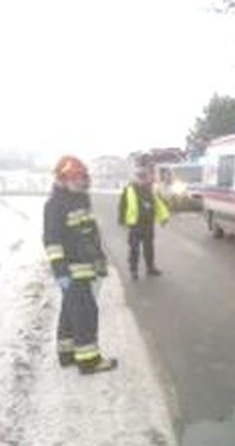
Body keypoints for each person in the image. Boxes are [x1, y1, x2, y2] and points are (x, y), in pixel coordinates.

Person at [43, 155, 117, 374]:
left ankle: (67, 354)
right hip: (71, 271)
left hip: (85, 266)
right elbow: (51, 241)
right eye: (77, 177)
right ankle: (89, 360)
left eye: (84, 177)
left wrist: (99, 258)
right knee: (85, 312)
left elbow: (90, 234)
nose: (83, 181)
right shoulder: (55, 205)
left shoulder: (80, 199)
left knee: (70, 311)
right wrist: (60, 272)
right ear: (63, 179)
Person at [118, 166, 170, 280]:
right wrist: (121, 220)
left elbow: (158, 204)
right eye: (140, 177)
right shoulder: (129, 189)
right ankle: (133, 270)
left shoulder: (150, 190)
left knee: (149, 248)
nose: (142, 179)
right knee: (134, 248)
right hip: (135, 224)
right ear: (136, 178)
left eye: (144, 177)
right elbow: (122, 205)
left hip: (148, 224)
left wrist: (164, 217)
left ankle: (150, 268)